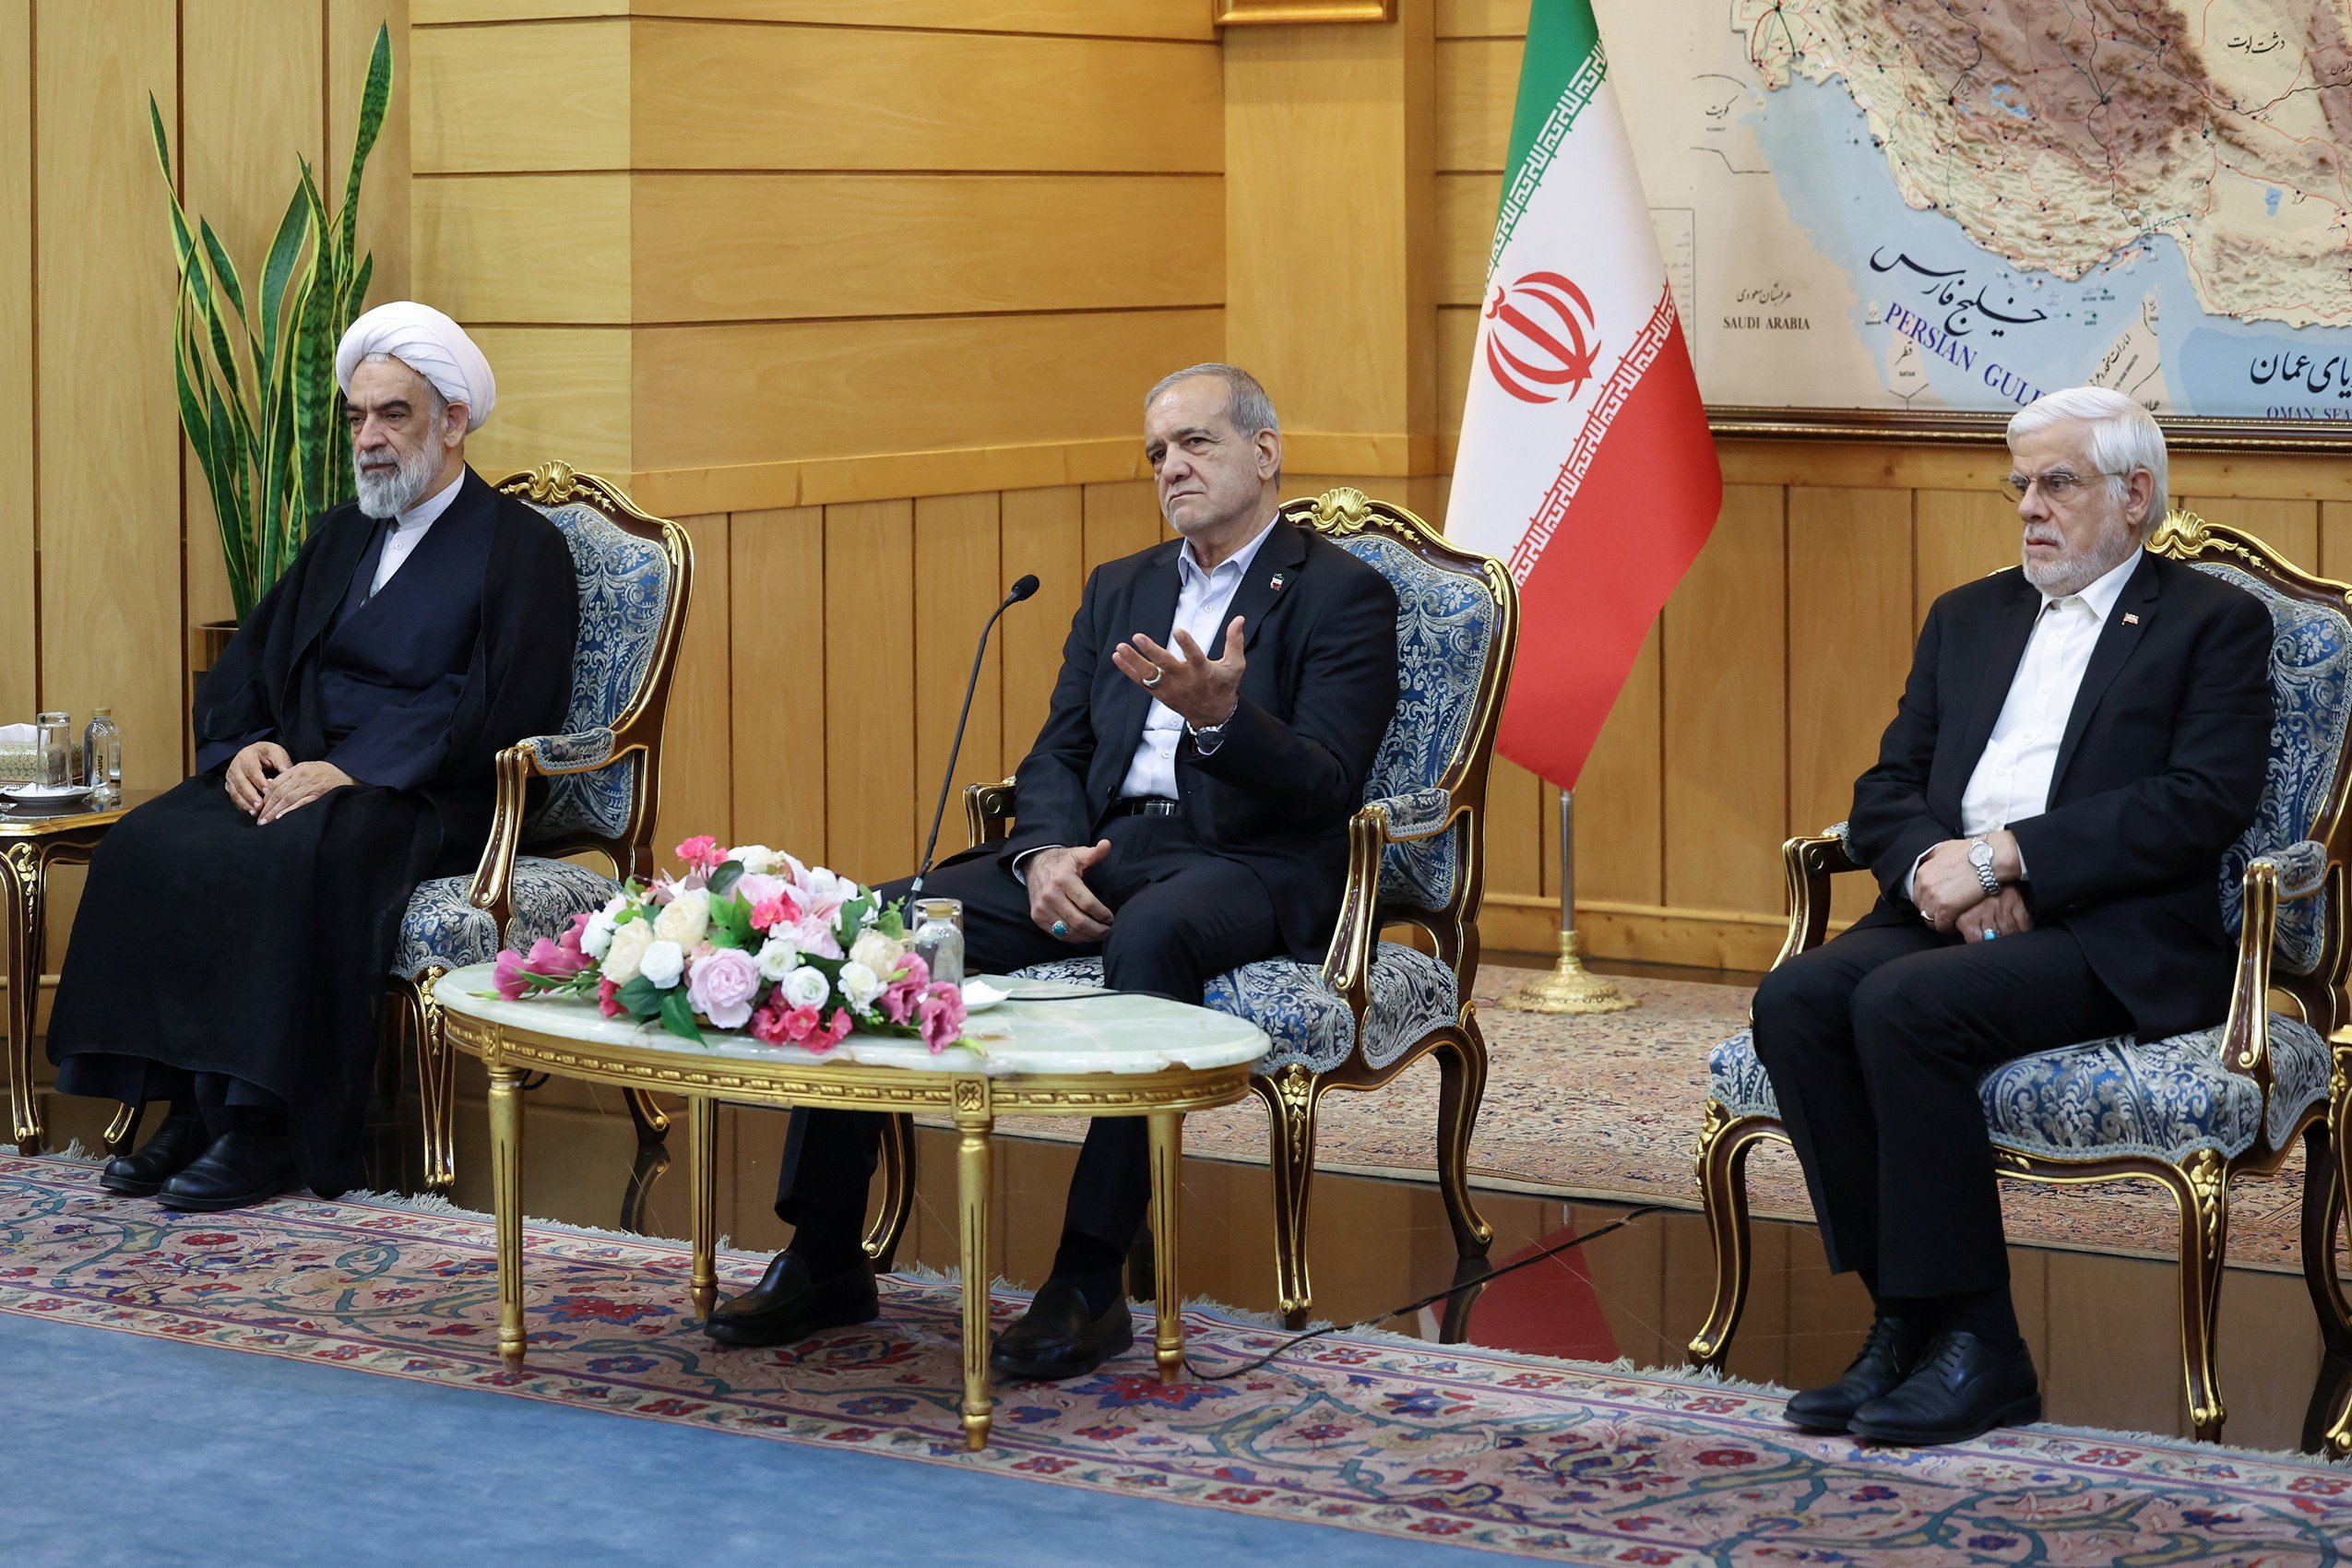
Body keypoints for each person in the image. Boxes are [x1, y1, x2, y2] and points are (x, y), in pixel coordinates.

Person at [706, 363, 1400, 1377]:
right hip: (1107, 849)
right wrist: (1042, 853)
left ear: (1265, 450)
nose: (1172, 466)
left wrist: (1221, 720)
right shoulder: (1121, 585)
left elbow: (1329, 780)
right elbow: (1058, 751)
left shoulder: (1343, 592)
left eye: (1196, 442)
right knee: (880, 918)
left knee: (1155, 935)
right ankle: (824, 1252)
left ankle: (1087, 1278)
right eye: (1157, 451)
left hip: (1248, 859)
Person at [1751, 386, 2274, 1444]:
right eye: (2020, 484)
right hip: (1953, 909)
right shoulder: (1969, 615)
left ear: (2135, 497)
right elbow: (1885, 787)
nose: (2030, 506)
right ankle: (1906, 1318)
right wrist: (1944, 874)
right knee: (1798, 995)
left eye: (2058, 483)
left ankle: (1980, 1344)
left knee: (1903, 1008)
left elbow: (2199, 801)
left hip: (2109, 929)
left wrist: (2008, 857)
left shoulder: (2212, 623)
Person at [47, 303, 578, 1210]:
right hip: (303, 762)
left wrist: (354, 766)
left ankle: (266, 1127)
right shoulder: (343, 534)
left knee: (302, 847)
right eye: (356, 416)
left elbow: (503, 704)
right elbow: (262, 657)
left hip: (428, 790)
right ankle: (192, 1099)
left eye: (393, 415)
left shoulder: (522, 548)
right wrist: (248, 745)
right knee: (155, 838)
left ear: (453, 421)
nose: (368, 437)